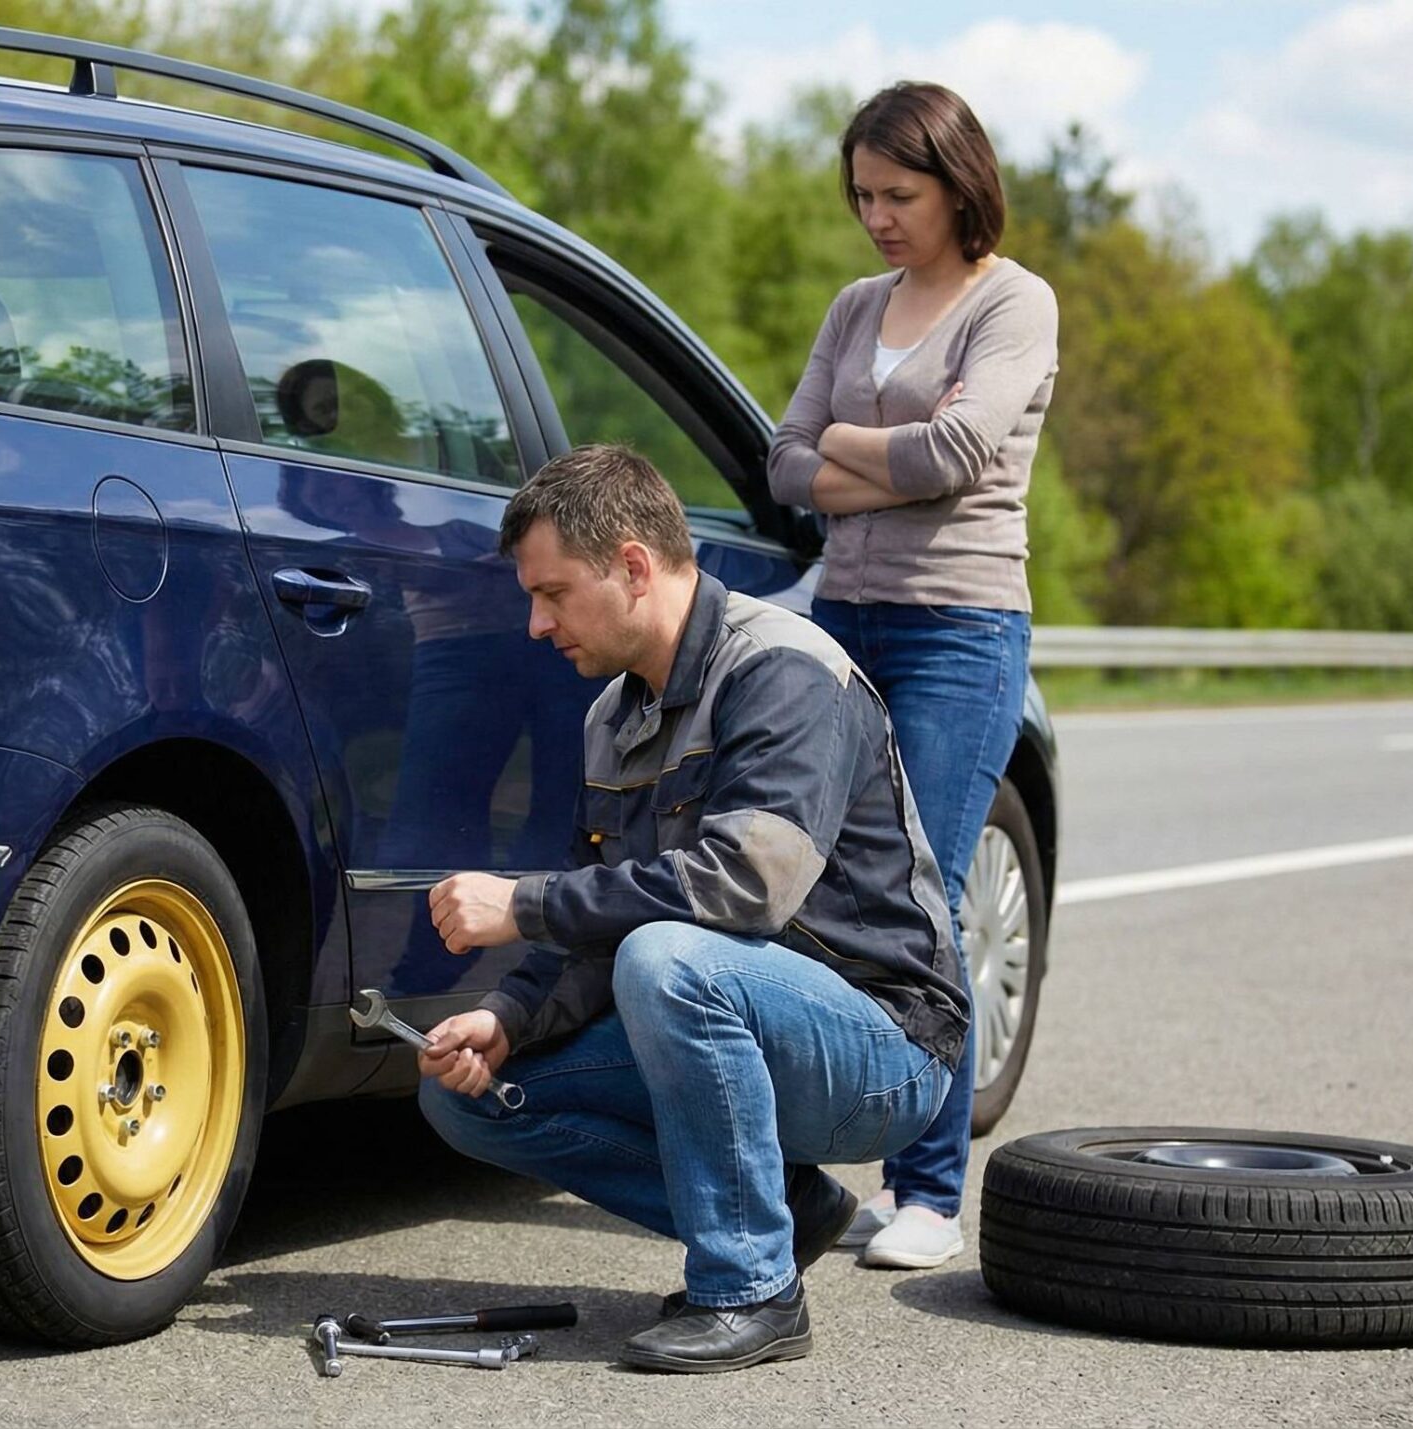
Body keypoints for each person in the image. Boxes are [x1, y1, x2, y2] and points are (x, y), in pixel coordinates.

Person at [414, 444, 971, 1373]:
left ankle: (751, 1287)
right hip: (733, 1017)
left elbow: (743, 888)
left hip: (883, 1047)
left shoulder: (785, 669)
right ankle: (786, 1210)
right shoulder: (612, 717)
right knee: (467, 1097)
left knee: (668, 957)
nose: (534, 624)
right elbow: (598, 924)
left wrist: (523, 902)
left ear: (633, 566)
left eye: (552, 593)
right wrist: (507, 1017)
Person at [764, 81, 1059, 1270]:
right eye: (861, 196)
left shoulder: (1014, 302)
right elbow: (783, 465)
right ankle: (819, 1165)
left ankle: (927, 1189)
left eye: (899, 194)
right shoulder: (855, 306)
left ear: (956, 181)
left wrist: (847, 445)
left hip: (959, 629)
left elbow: (962, 450)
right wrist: (876, 459)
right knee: (818, 893)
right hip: (845, 619)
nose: (877, 216)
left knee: (924, 897)